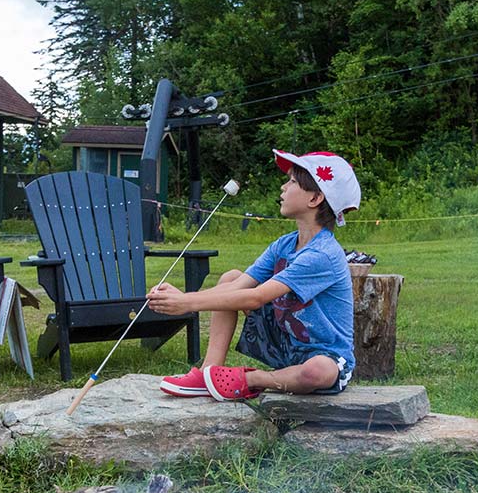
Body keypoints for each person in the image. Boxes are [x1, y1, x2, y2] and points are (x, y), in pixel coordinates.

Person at [147, 149, 360, 401]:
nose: (283, 187)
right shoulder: (284, 244)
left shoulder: (322, 254)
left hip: (324, 356)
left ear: (314, 198)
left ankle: (252, 379)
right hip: (285, 343)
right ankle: (207, 373)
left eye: (292, 181)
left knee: (318, 372)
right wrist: (185, 297)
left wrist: (186, 304)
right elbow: (238, 286)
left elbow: (256, 298)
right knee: (230, 278)